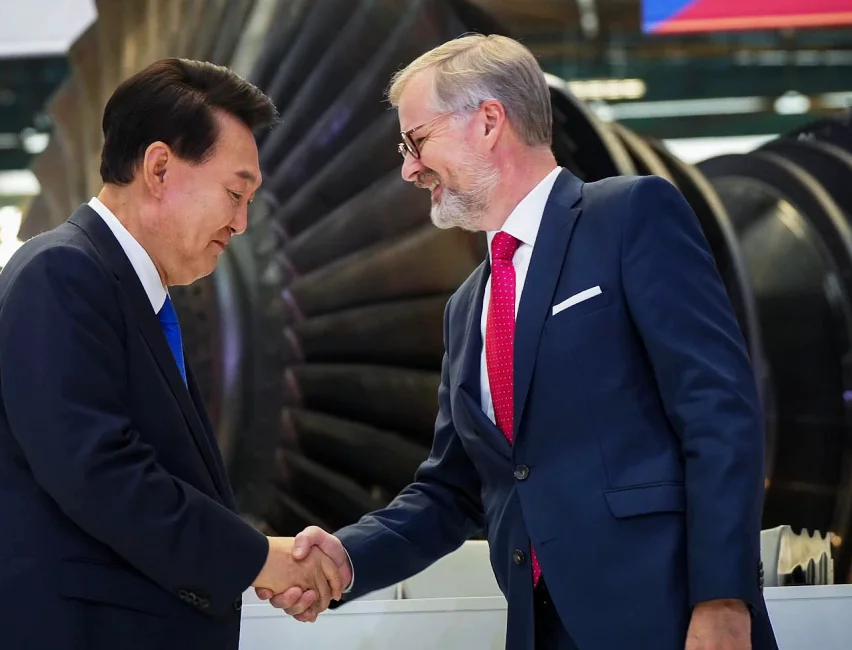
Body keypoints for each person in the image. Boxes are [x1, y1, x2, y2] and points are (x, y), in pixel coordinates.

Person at [257, 34, 779, 650]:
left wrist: (722, 600)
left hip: (666, 618)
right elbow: (450, 490)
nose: (408, 168)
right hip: (537, 629)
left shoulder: (629, 216)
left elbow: (718, 414)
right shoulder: (466, 307)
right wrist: (346, 558)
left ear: (487, 122)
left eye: (416, 140)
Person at [0, 58, 344, 650]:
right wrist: (260, 558)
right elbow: (99, 473)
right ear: (158, 168)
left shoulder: (128, 297)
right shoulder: (61, 273)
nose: (242, 222)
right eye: (235, 192)